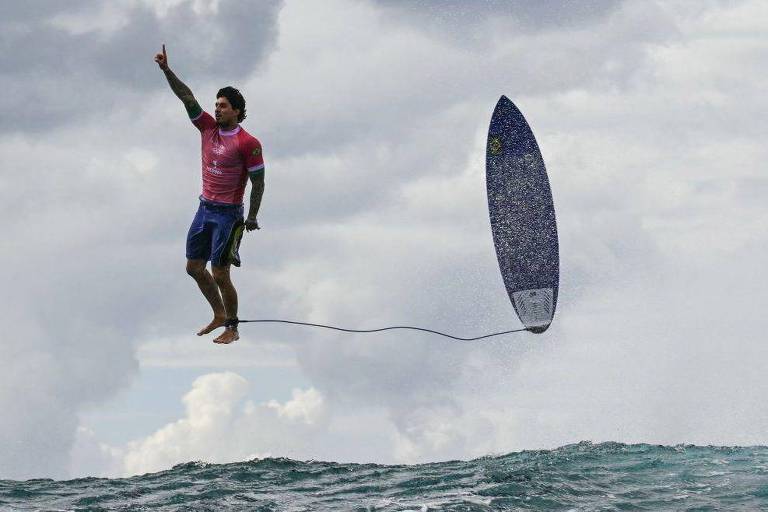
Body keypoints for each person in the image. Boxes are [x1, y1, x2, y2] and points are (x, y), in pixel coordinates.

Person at [154, 44, 265, 344]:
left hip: (229, 215)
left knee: (220, 272)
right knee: (193, 267)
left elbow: (259, 182)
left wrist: (252, 216)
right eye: (216, 105)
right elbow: (186, 97)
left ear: (237, 112)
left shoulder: (248, 143)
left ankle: (232, 326)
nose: (217, 109)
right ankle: (218, 313)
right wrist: (166, 70)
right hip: (205, 208)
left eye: (223, 106)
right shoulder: (206, 128)